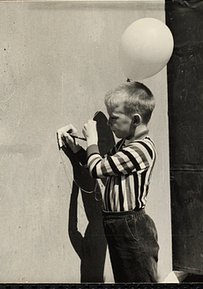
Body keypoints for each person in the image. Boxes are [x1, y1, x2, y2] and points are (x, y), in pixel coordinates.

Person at [58, 81, 159, 283]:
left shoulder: (141, 149)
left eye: (113, 118)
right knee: (124, 277)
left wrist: (93, 140)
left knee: (138, 277)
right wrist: (76, 148)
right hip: (116, 223)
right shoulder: (124, 144)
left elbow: (98, 170)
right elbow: (102, 164)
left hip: (132, 225)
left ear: (135, 119)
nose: (108, 124)